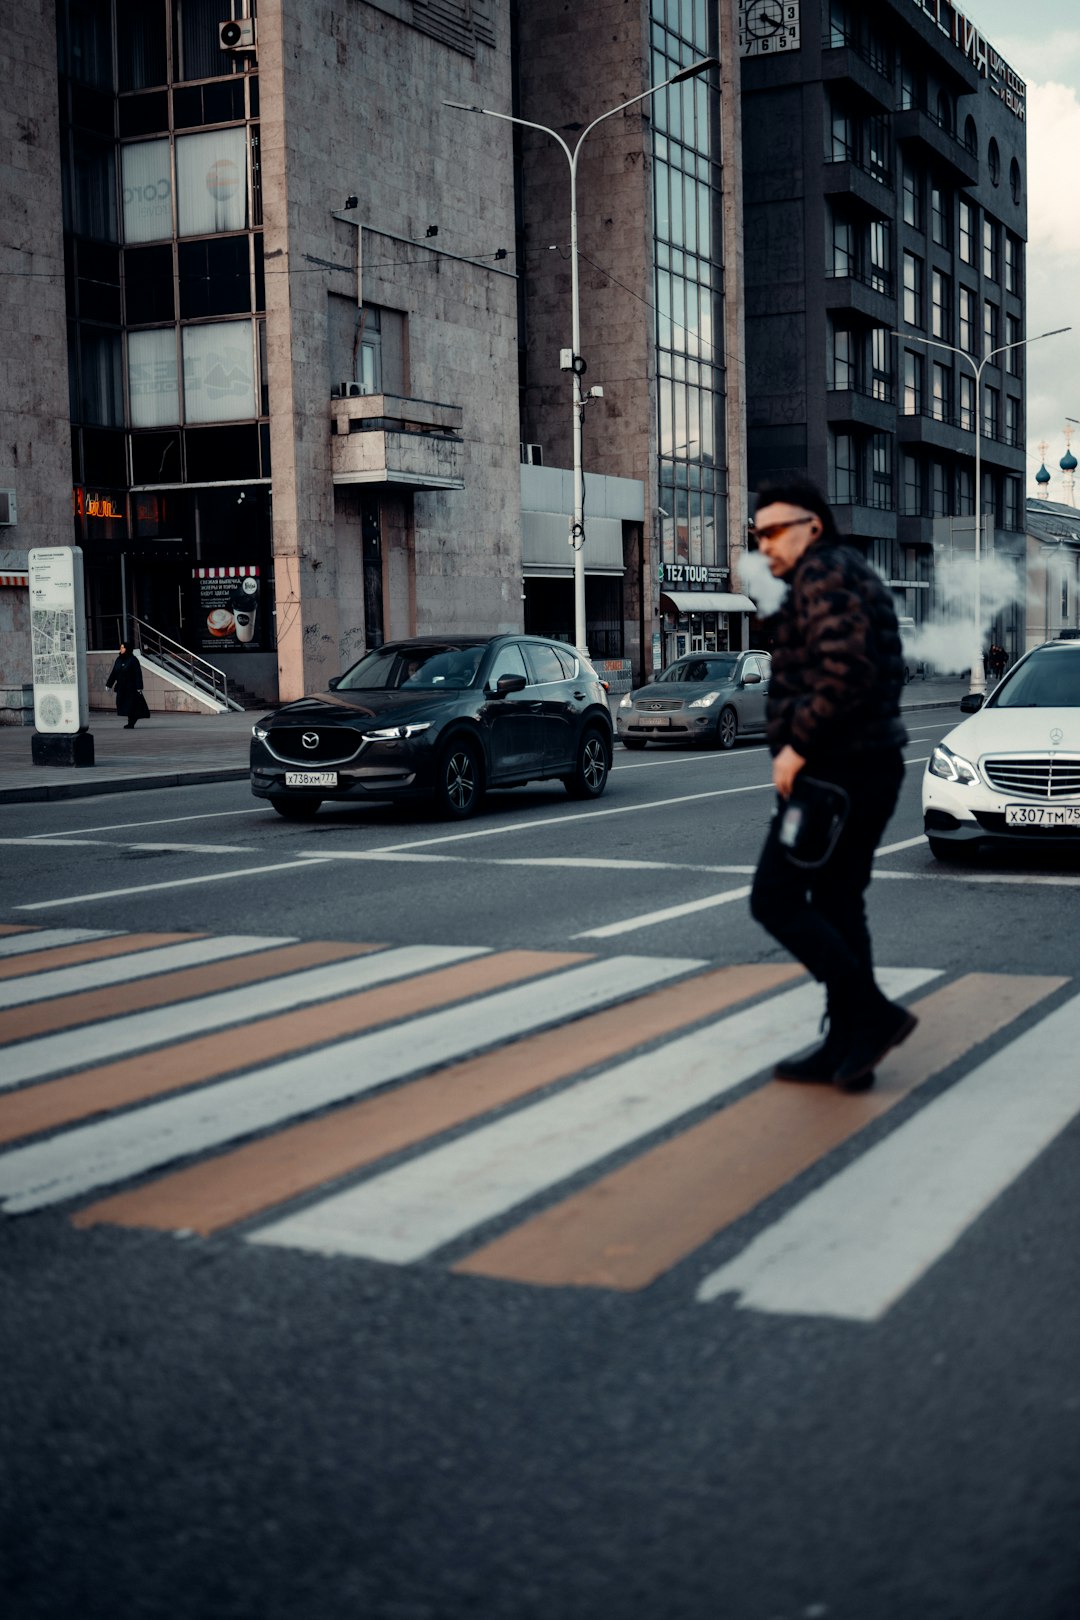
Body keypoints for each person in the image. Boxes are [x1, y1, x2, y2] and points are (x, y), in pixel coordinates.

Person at [748, 476, 916, 1092]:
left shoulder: (825, 574)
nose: (763, 543)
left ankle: (868, 1015)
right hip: (862, 766)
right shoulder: (840, 573)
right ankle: (850, 1045)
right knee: (839, 903)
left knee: (775, 898)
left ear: (811, 526)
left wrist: (796, 748)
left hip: (838, 772)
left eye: (773, 530)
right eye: (755, 533)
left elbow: (847, 671)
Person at [105, 642, 149, 729]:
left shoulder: (133, 660)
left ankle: (131, 722)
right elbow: (114, 673)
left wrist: (139, 687)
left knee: (130, 705)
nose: (121, 649)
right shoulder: (119, 659)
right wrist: (109, 684)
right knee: (122, 704)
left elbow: (138, 674)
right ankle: (131, 721)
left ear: (127, 649)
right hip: (121, 688)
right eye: (120, 648)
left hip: (131, 688)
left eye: (122, 648)